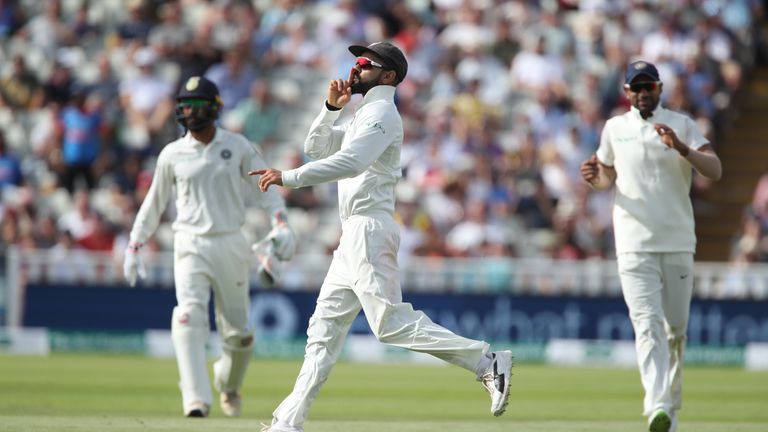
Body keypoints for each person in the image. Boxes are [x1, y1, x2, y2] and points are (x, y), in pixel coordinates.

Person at [250, 41, 513, 432]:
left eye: (365, 63)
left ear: (388, 75)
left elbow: (351, 162)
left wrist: (288, 178)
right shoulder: (363, 114)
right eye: (356, 61)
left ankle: (485, 361)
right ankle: (287, 422)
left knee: (389, 324)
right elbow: (315, 148)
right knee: (323, 332)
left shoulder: (383, 114)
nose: (355, 68)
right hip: (352, 234)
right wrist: (330, 109)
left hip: (369, 229)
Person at [122, 76, 296, 418]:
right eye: (184, 105)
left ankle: (228, 385)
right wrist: (134, 242)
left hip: (230, 242)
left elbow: (266, 187)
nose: (189, 111)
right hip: (189, 243)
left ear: (214, 108)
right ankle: (196, 400)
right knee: (187, 315)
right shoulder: (172, 154)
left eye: (196, 105)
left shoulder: (238, 146)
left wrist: (280, 221)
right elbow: (154, 203)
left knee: (239, 334)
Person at [580, 60, 722, 432]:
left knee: (675, 331)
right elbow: (607, 177)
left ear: (659, 89)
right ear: (627, 92)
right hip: (633, 242)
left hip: (677, 240)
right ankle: (657, 406)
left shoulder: (682, 124)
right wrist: (594, 178)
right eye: (637, 87)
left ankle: (670, 409)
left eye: (649, 86)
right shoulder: (614, 128)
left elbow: (715, 170)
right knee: (646, 327)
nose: (643, 93)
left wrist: (682, 149)